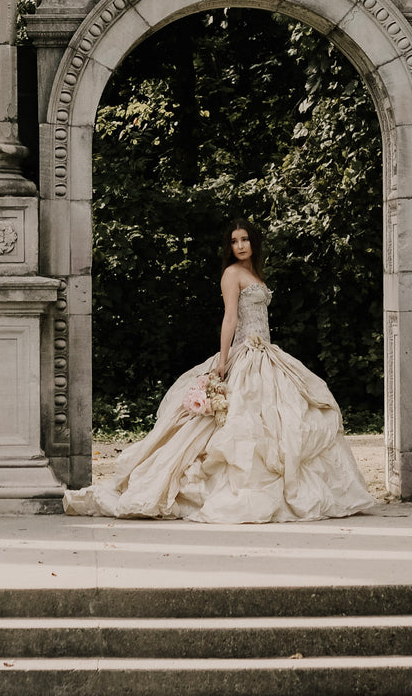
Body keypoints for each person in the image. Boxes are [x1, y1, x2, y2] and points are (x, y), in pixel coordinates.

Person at [63, 221, 378, 522]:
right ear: (229, 247)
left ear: (253, 242)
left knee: (290, 417)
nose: (240, 245)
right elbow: (230, 318)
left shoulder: (253, 272)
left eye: (245, 239)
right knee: (238, 423)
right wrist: (223, 362)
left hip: (266, 352)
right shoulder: (232, 274)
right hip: (246, 353)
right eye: (234, 241)